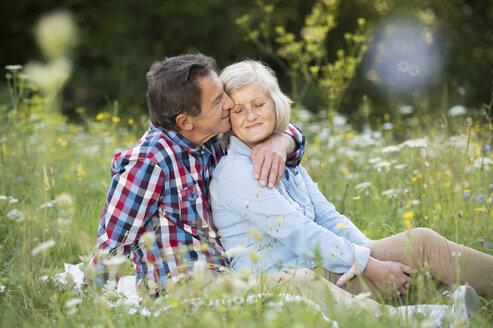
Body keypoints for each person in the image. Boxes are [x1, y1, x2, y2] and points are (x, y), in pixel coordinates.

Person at [210, 60, 493, 302]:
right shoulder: (236, 171)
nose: (251, 116)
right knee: (421, 244)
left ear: (276, 105)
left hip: (322, 267)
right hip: (292, 285)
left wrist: (375, 253)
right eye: (238, 110)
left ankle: (454, 300)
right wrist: (369, 263)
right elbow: (300, 232)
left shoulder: (283, 160)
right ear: (228, 118)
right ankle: (446, 303)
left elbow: (330, 218)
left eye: (259, 104)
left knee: (413, 254)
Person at [89, 53, 305, 293]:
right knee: (300, 283)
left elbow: (277, 134)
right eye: (217, 101)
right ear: (185, 121)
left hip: (232, 276)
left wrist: (281, 141)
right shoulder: (148, 162)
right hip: (184, 291)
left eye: (223, 93)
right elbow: (113, 244)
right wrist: (93, 303)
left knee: (321, 277)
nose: (229, 104)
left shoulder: (213, 139)